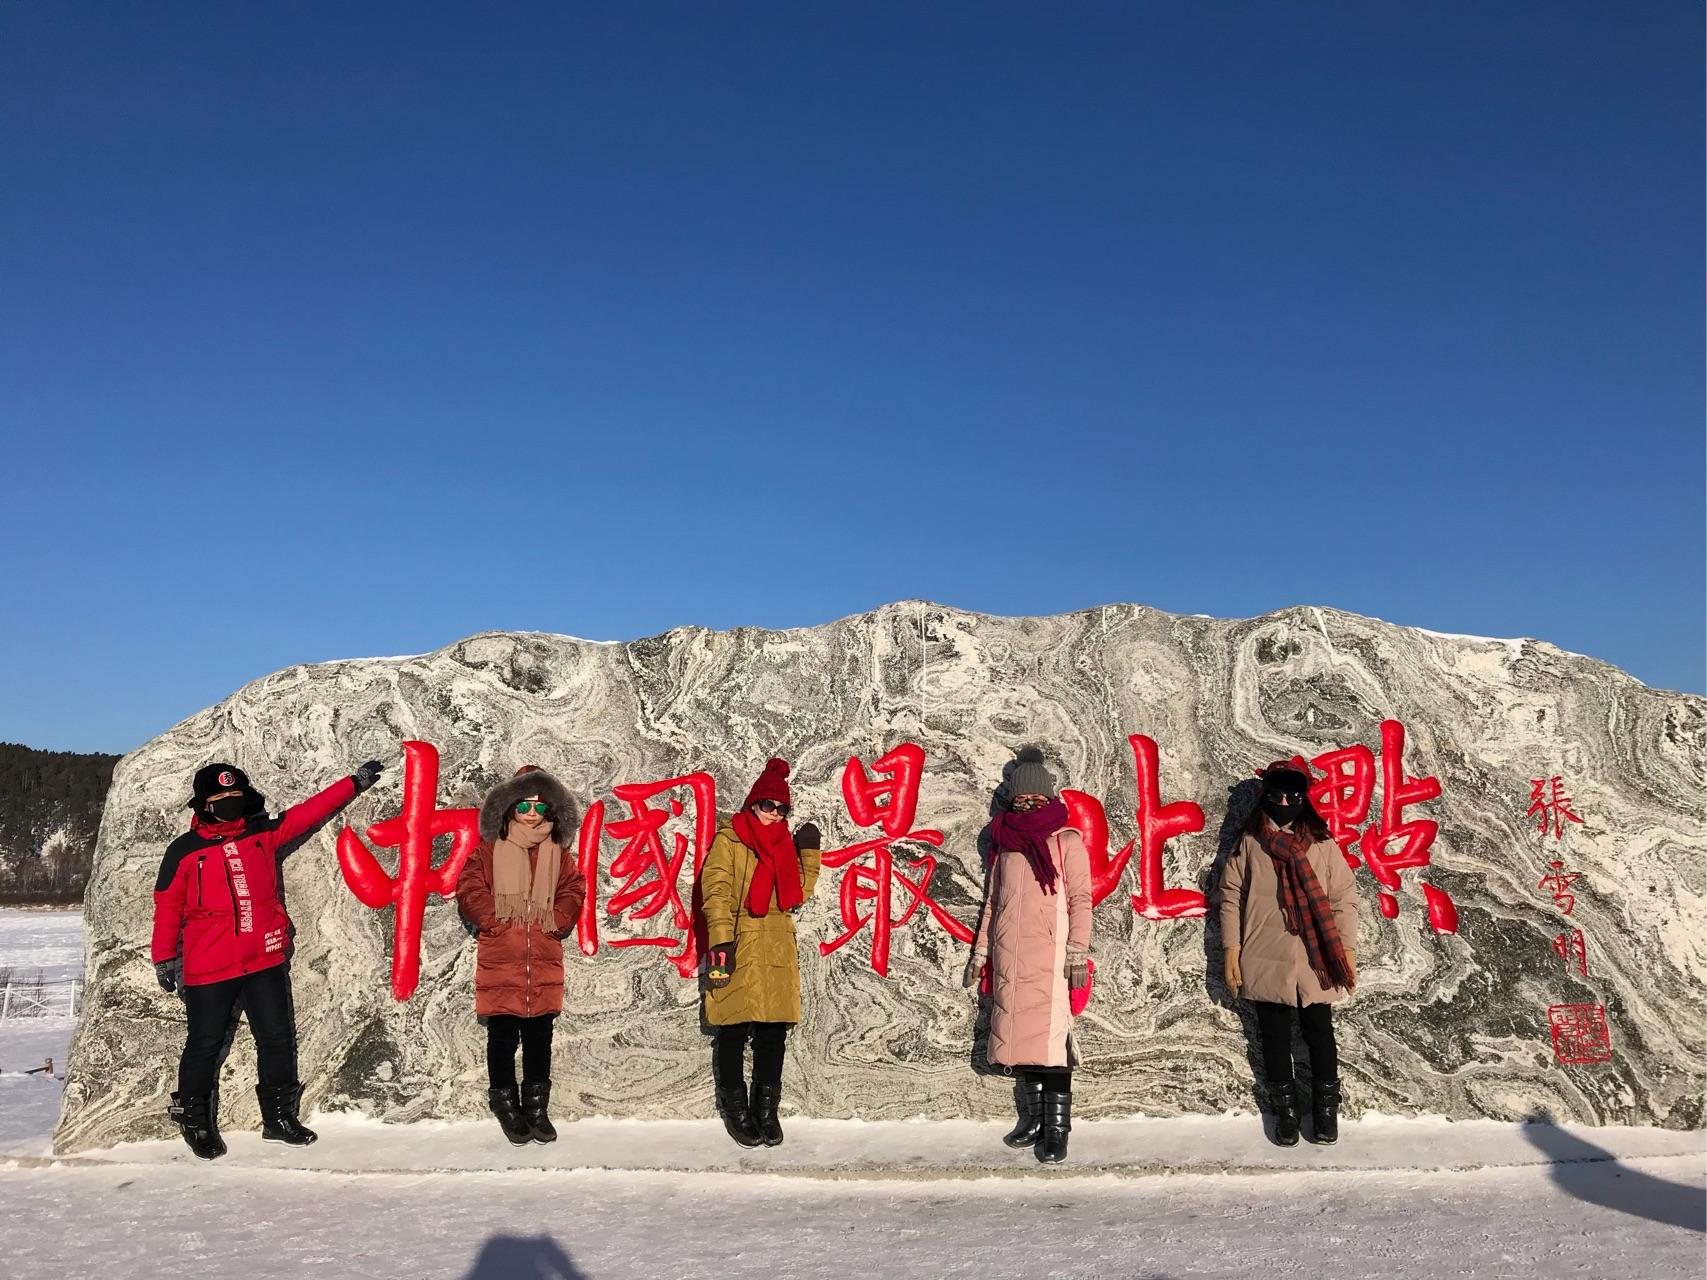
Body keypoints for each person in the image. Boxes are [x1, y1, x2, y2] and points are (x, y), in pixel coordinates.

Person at [152, 757, 382, 1159]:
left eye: (236, 795)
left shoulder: (263, 833)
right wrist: (164, 957)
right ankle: (195, 1120)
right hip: (210, 967)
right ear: (203, 803)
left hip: (264, 960)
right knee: (204, 1044)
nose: (229, 802)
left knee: (276, 1039)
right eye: (220, 797)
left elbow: (310, 812)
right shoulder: (184, 851)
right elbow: (167, 907)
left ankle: (279, 1118)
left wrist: (353, 784)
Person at [964, 746, 1093, 1164]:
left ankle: (1058, 1128)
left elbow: (1081, 899)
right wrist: (982, 950)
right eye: (1021, 798)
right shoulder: (1004, 843)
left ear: (1050, 797)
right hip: (1009, 952)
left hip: (1051, 955)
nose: (1029, 804)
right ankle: (1033, 1119)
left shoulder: (1065, 840)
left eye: (1036, 797)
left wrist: (1077, 952)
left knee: (1052, 1044)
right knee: (1020, 1040)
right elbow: (992, 903)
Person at [1219, 760, 1358, 1146]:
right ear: (1265, 798)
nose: (1284, 803)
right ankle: (1286, 1113)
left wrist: (1346, 948)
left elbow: (1344, 896)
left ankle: (1327, 1112)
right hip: (1264, 952)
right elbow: (1231, 896)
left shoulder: (1322, 843)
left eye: (1293, 796)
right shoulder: (1250, 842)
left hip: (1315, 955)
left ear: (1304, 798)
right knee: (1273, 1037)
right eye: (1277, 796)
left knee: (1320, 1033)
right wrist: (1232, 948)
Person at [456, 764, 587, 1145]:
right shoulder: (489, 851)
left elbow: (573, 889)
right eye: (524, 805)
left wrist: (556, 920)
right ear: (509, 808)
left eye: (541, 807)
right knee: (500, 1037)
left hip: (542, 957)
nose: (532, 814)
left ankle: (536, 1108)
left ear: (552, 813)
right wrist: (495, 919)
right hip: (502, 956)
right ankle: (506, 1107)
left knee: (539, 1037)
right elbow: (469, 889)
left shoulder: (557, 854)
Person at [698, 757, 821, 1147]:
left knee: (772, 1034)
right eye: (767, 805)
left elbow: (798, 894)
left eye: (781, 808)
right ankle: (736, 1111)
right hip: (737, 938)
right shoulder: (729, 839)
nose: (773, 814)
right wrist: (721, 939)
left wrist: (809, 857)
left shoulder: (784, 842)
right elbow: (714, 889)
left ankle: (766, 1110)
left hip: (776, 942)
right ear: (753, 804)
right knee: (732, 1029)